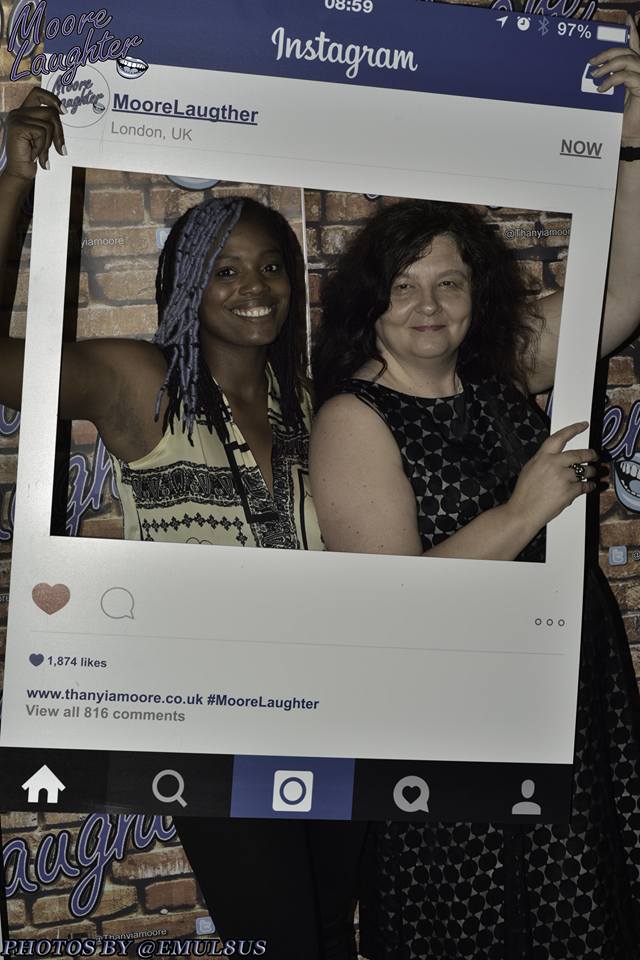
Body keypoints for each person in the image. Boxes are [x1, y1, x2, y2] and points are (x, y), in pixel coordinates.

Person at [0, 88, 364, 960]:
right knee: (279, 939)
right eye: (224, 270)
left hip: (333, 705)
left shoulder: (314, 402)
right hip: (210, 720)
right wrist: (14, 181)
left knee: (328, 931)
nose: (254, 288)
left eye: (270, 267)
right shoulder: (143, 383)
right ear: (186, 282)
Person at [310, 29, 640, 960]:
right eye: (405, 286)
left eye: (449, 283)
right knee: (473, 920)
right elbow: (395, 600)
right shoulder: (353, 417)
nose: (429, 306)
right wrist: (526, 510)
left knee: (578, 909)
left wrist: (632, 145)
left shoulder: (499, 365)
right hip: (456, 708)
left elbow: (623, 289)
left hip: (566, 674)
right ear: (370, 301)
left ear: (476, 293)